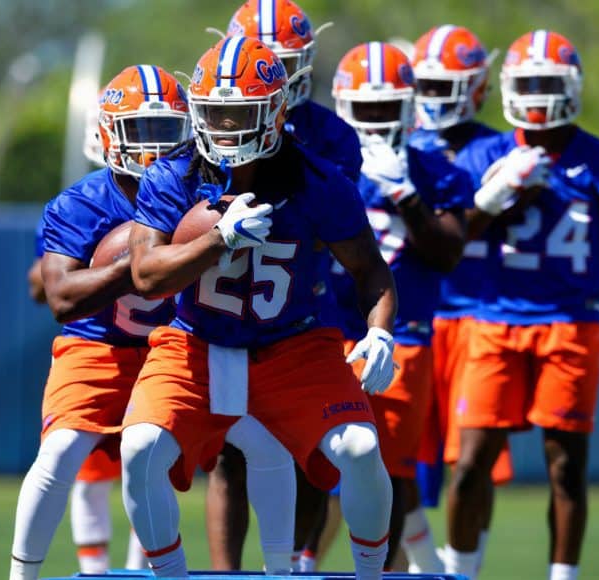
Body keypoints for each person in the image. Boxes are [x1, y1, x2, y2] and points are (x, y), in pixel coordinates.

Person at [122, 36, 396, 579]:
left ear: (274, 112)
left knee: (362, 450)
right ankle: (171, 576)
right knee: (140, 451)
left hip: (294, 341)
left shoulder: (317, 180)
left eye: (239, 114)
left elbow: (372, 271)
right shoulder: (172, 175)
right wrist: (217, 240)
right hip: (195, 340)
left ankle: (370, 574)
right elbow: (146, 276)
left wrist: (380, 332)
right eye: (215, 114)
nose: (224, 129)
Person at [449, 30, 599, 580]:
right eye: (528, 84)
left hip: (570, 325)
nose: (538, 96)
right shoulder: (485, 154)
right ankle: (459, 574)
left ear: (572, 87)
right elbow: (448, 239)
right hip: (494, 320)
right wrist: (489, 200)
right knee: (469, 466)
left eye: (549, 84)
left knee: (566, 467)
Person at [8, 65, 191, 580]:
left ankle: (152, 572)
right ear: (110, 132)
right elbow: (60, 298)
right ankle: (22, 575)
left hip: (172, 346)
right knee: (62, 453)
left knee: (156, 461)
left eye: (165, 129)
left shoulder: (197, 194)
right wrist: (134, 269)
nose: (153, 146)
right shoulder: (81, 203)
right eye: (141, 129)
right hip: (96, 347)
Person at [205, 0, 364, 571]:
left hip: (301, 301)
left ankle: (301, 563)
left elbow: (336, 227)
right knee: (230, 450)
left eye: (282, 59)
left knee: (312, 448)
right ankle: (228, 573)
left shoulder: (330, 136)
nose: (270, 67)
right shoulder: (211, 118)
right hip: (221, 299)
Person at [308, 40, 469, 571]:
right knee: (310, 463)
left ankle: (378, 570)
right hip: (323, 333)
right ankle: (299, 563)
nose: (376, 121)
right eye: (365, 109)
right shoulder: (319, 162)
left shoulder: (432, 167)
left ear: (410, 104)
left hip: (404, 336)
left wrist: (406, 196)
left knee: (393, 471)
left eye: (386, 108)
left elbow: (447, 253)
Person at [406, 24, 515, 575]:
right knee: (398, 462)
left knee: (471, 465)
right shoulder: (405, 145)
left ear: (477, 87)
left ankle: (463, 570)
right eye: (426, 84)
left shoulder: (501, 147)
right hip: (417, 315)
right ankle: (422, 566)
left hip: (479, 312)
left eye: (446, 85)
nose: (435, 97)